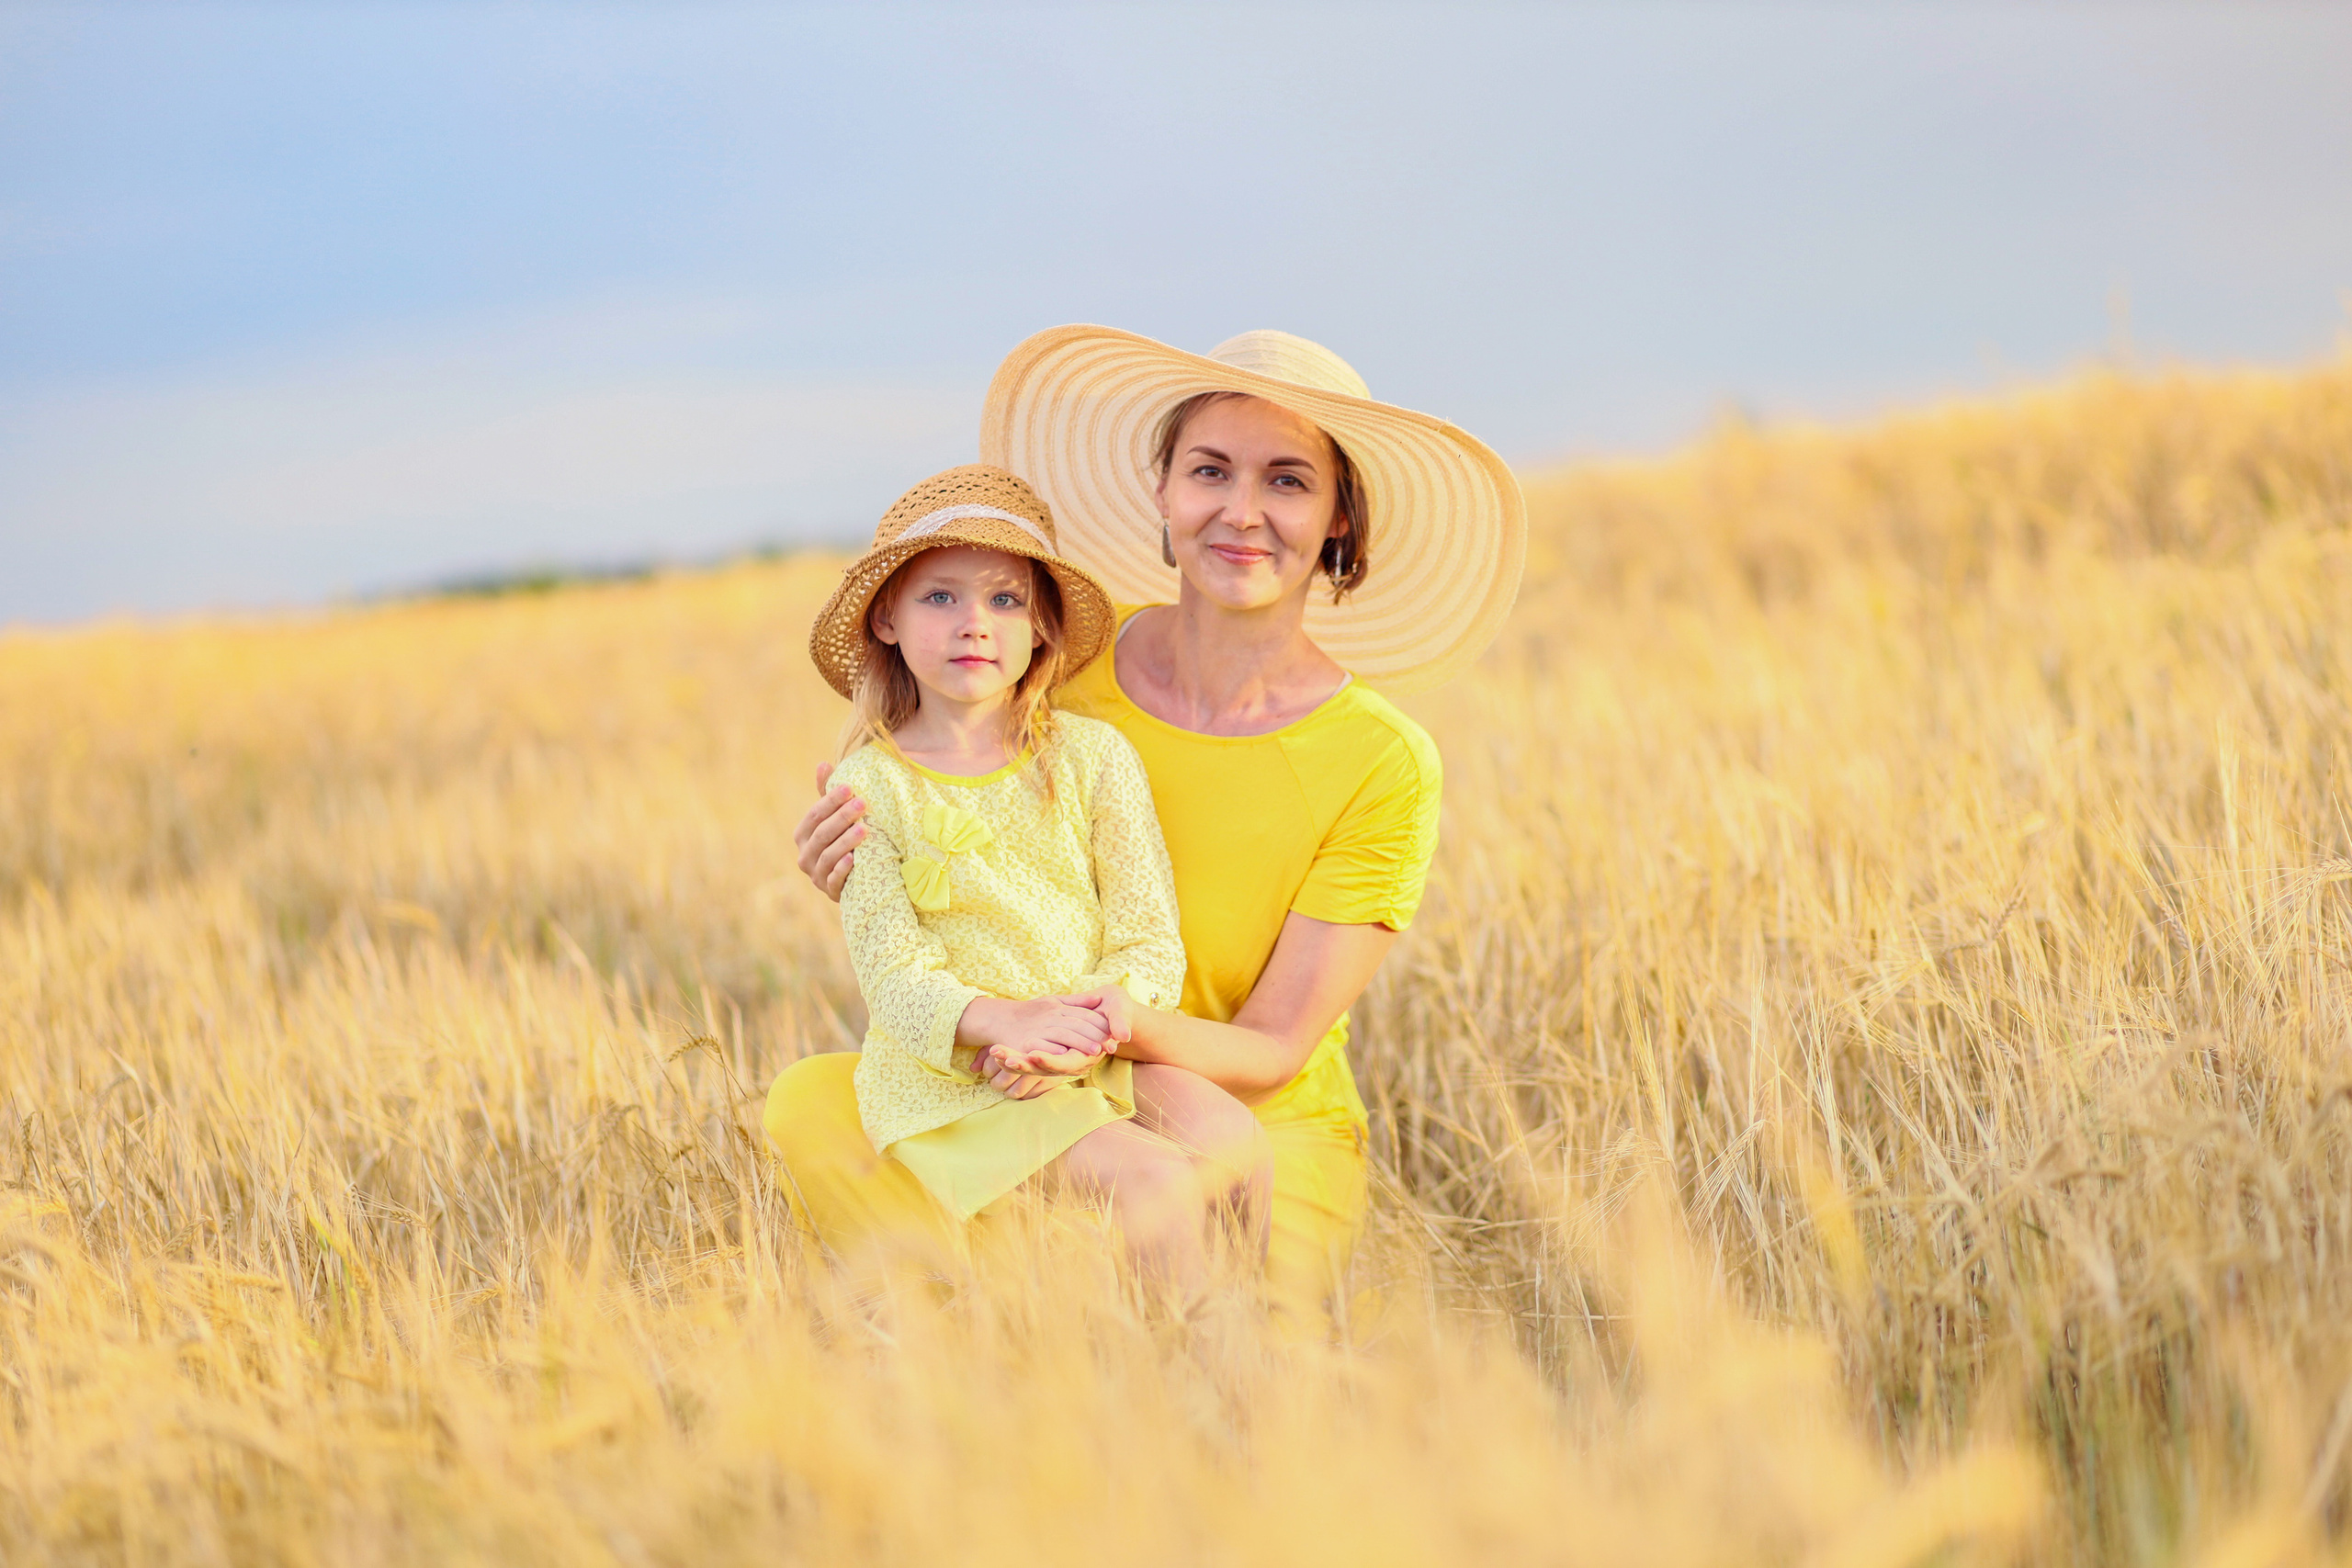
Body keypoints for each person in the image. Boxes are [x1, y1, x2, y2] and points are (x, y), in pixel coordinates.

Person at [769, 326, 1526, 1323]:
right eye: (1209, 470)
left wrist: (1107, 1029)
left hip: (1245, 1117)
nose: (1242, 510)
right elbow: (939, 806)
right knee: (809, 1105)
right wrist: (866, 860)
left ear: (1340, 518)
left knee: (1207, 1305)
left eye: (1289, 480)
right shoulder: (1053, 666)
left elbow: (1272, 1047)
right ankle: (1008, 1326)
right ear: (1162, 491)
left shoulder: (1380, 761)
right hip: (1025, 1080)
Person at [808, 463, 1270, 1289]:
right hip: (959, 1079)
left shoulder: (1092, 759)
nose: (974, 624)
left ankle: (1265, 1355)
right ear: (887, 618)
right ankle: (1215, 1398)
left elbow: (1148, 938)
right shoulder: (870, 787)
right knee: (1158, 1184)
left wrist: (1072, 1033)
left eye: (1005, 600)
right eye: (940, 597)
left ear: (1042, 629)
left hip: (1092, 1045)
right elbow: (895, 980)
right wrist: (1004, 1026)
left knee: (1235, 1144)